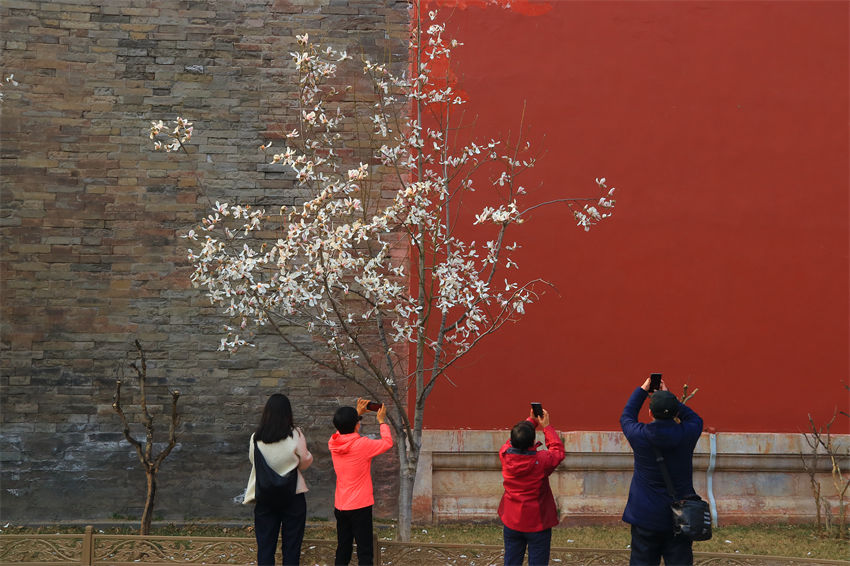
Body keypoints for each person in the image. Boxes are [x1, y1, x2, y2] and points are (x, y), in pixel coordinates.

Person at [620, 377, 704, 566]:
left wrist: (643, 390)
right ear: (675, 413)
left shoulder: (640, 435)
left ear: (650, 412)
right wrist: (670, 397)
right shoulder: (687, 433)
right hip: (681, 515)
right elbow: (695, 419)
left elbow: (627, 416)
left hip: (645, 515)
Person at [243, 393, 314, 566]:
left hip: (265, 496)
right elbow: (304, 461)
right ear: (288, 413)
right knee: (292, 548)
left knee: (265, 548)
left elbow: (254, 462)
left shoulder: (256, 437)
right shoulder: (295, 434)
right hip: (293, 495)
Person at [498, 406, 566, 566]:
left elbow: (513, 441)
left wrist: (531, 422)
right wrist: (546, 426)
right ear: (533, 442)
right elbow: (557, 451)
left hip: (512, 520)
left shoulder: (505, 455)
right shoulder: (541, 461)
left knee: (511, 561)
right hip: (538, 522)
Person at [328, 398, 393, 566]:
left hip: (341, 505)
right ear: (357, 425)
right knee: (364, 551)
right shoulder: (362, 445)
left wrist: (356, 414)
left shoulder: (333, 443)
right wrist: (381, 421)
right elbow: (387, 443)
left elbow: (343, 429)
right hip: (360, 506)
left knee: (343, 548)